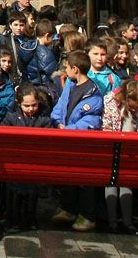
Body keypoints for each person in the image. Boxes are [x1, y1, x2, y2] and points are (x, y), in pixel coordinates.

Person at [50, 50, 103, 232]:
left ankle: (87, 215)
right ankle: (68, 208)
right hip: (66, 136)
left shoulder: (93, 93)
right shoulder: (70, 85)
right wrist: (57, 121)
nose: (65, 70)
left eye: (67, 67)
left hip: (82, 141)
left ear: (75, 69)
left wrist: (69, 129)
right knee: (66, 174)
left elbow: (91, 121)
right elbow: (61, 105)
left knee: (83, 178)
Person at [101, 79, 138, 235]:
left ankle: (127, 221)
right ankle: (113, 221)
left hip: (132, 152)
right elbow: (106, 128)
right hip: (114, 149)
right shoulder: (112, 104)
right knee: (112, 182)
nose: (134, 109)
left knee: (126, 183)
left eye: (137, 107)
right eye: (131, 106)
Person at [1, 84, 53, 229]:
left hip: (33, 160)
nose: (31, 109)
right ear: (19, 104)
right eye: (27, 106)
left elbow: (48, 139)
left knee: (31, 188)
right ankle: (12, 218)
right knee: (14, 187)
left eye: (34, 105)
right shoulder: (12, 115)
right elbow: (4, 134)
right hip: (15, 159)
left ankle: (30, 218)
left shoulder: (44, 116)